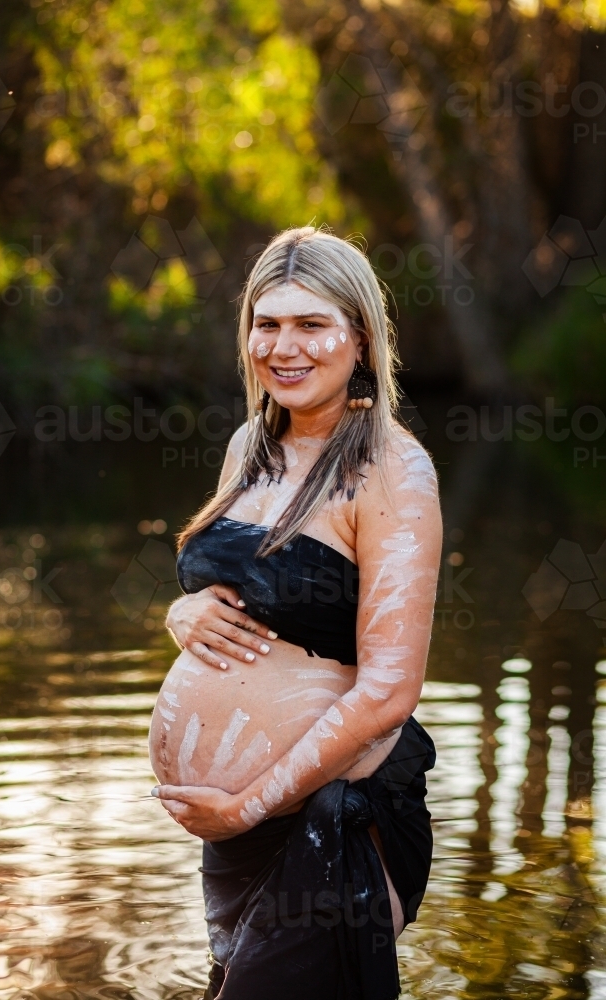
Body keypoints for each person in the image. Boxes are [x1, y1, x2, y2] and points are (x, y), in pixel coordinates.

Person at [148, 226, 442, 999]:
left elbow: (387, 691)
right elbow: (242, 593)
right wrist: (183, 615)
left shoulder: (391, 470)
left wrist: (246, 805)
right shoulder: (250, 443)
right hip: (240, 829)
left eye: (311, 324)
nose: (285, 346)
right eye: (267, 323)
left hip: (337, 816)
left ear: (361, 340)